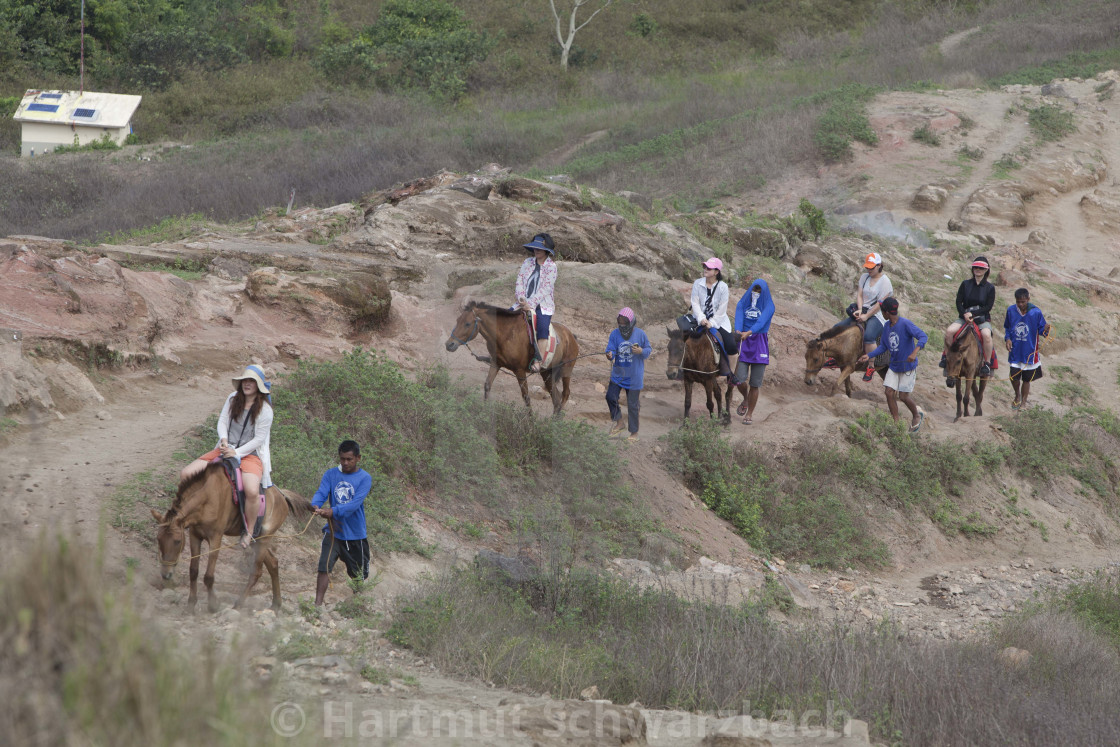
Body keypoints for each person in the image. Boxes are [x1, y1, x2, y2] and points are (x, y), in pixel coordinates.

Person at [180, 364, 274, 549]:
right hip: (225, 447)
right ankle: (185, 515)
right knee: (186, 473)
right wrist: (223, 440)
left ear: (258, 386)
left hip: (249, 454)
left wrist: (237, 452)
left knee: (252, 490)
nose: (247, 384)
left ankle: (248, 531)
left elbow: (259, 439)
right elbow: (223, 420)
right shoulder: (233, 398)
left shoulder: (265, 410)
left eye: (251, 381)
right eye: (244, 380)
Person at [312, 440, 372, 606]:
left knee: (358, 575)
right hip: (333, 531)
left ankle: (357, 605)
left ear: (358, 458)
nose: (345, 463)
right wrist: (315, 504)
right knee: (324, 567)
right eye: (342, 459)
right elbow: (322, 492)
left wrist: (332, 512)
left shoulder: (365, 478)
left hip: (355, 534)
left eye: (349, 459)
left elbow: (353, 505)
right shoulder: (331, 474)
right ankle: (317, 606)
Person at [858, 297, 927, 433]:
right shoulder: (886, 326)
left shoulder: (905, 324)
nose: (882, 314)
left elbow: (923, 336)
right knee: (889, 392)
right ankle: (896, 422)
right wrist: (869, 355)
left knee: (903, 397)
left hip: (908, 367)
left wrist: (914, 353)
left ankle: (917, 415)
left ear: (886, 313)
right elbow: (883, 346)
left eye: (883, 311)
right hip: (894, 366)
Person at [943, 256, 996, 376]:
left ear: (986, 270)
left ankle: (987, 363)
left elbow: (988, 307)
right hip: (964, 317)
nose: (978, 270)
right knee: (949, 332)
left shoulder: (990, 288)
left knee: (987, 335)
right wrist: (964, 314)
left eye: (981, 268)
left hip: (981, 318)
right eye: (976, 267)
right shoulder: (965, 284)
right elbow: (958, 302)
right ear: (972, 269)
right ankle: (947, 357)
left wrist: (973, 314)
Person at [604, 307, 651, 442]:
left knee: (633, 405)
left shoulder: (641, 334)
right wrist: (610, 354)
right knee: (610, 397)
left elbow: (648, 349)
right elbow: (610, 349)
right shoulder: (614, 334)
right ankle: (619, 423)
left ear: (631, 322)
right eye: (620, 322)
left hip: (634, 377)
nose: (622, 325)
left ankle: (634, 434)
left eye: (625, 322)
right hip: (618, 374)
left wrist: (641, 350)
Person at [733, 277, 775, 425]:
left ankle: (749, 413)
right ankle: (745, 398)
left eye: (759, 290)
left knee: (755, 383)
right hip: (744, 342)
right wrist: (738, 330)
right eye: (754, 289)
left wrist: (749, 332)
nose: (756, 292)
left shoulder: (769, 306)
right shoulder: (744, 302)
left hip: (759, 344)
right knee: (739, 379)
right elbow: (738, 313)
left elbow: (761, 321)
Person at [514, 233, 558, 370]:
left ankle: (539, 361)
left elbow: (545, 289)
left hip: (543, 305)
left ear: (546, 251)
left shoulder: (552, 267)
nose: (536, 250)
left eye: (539, 248)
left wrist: (530, 304)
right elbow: (519, 281)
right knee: (506, 317)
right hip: (523, 301)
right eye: (534, 248)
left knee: (543, 328)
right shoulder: (527, 263)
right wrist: (521, 299)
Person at [1004, 288, 1050, 411]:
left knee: (1026, 379)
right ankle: (1017, 395)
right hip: (1015, 350)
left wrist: (1046, 329)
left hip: (1029, 351)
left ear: (1028, 300)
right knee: (1013, 376)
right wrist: (1007, 339)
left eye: (1023, 302)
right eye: (1018, 302)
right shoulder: (1011, 310)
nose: (1021, 304)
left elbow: (1042, 331)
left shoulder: (1035, 312)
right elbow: (1007, 328)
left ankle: (1023, 403)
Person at [690, 257, 737, 361]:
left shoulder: (723, 287)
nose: (705, 269)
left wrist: (711, 323)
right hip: (699, 318)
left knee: (732, 347)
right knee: (680, 340)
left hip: (718, 321)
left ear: (716, 271)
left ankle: (731, 375)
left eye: (709, 268)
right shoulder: (697, 283)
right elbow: (695, 303)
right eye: (705, 266)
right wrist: (701, 318)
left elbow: (722, 308)